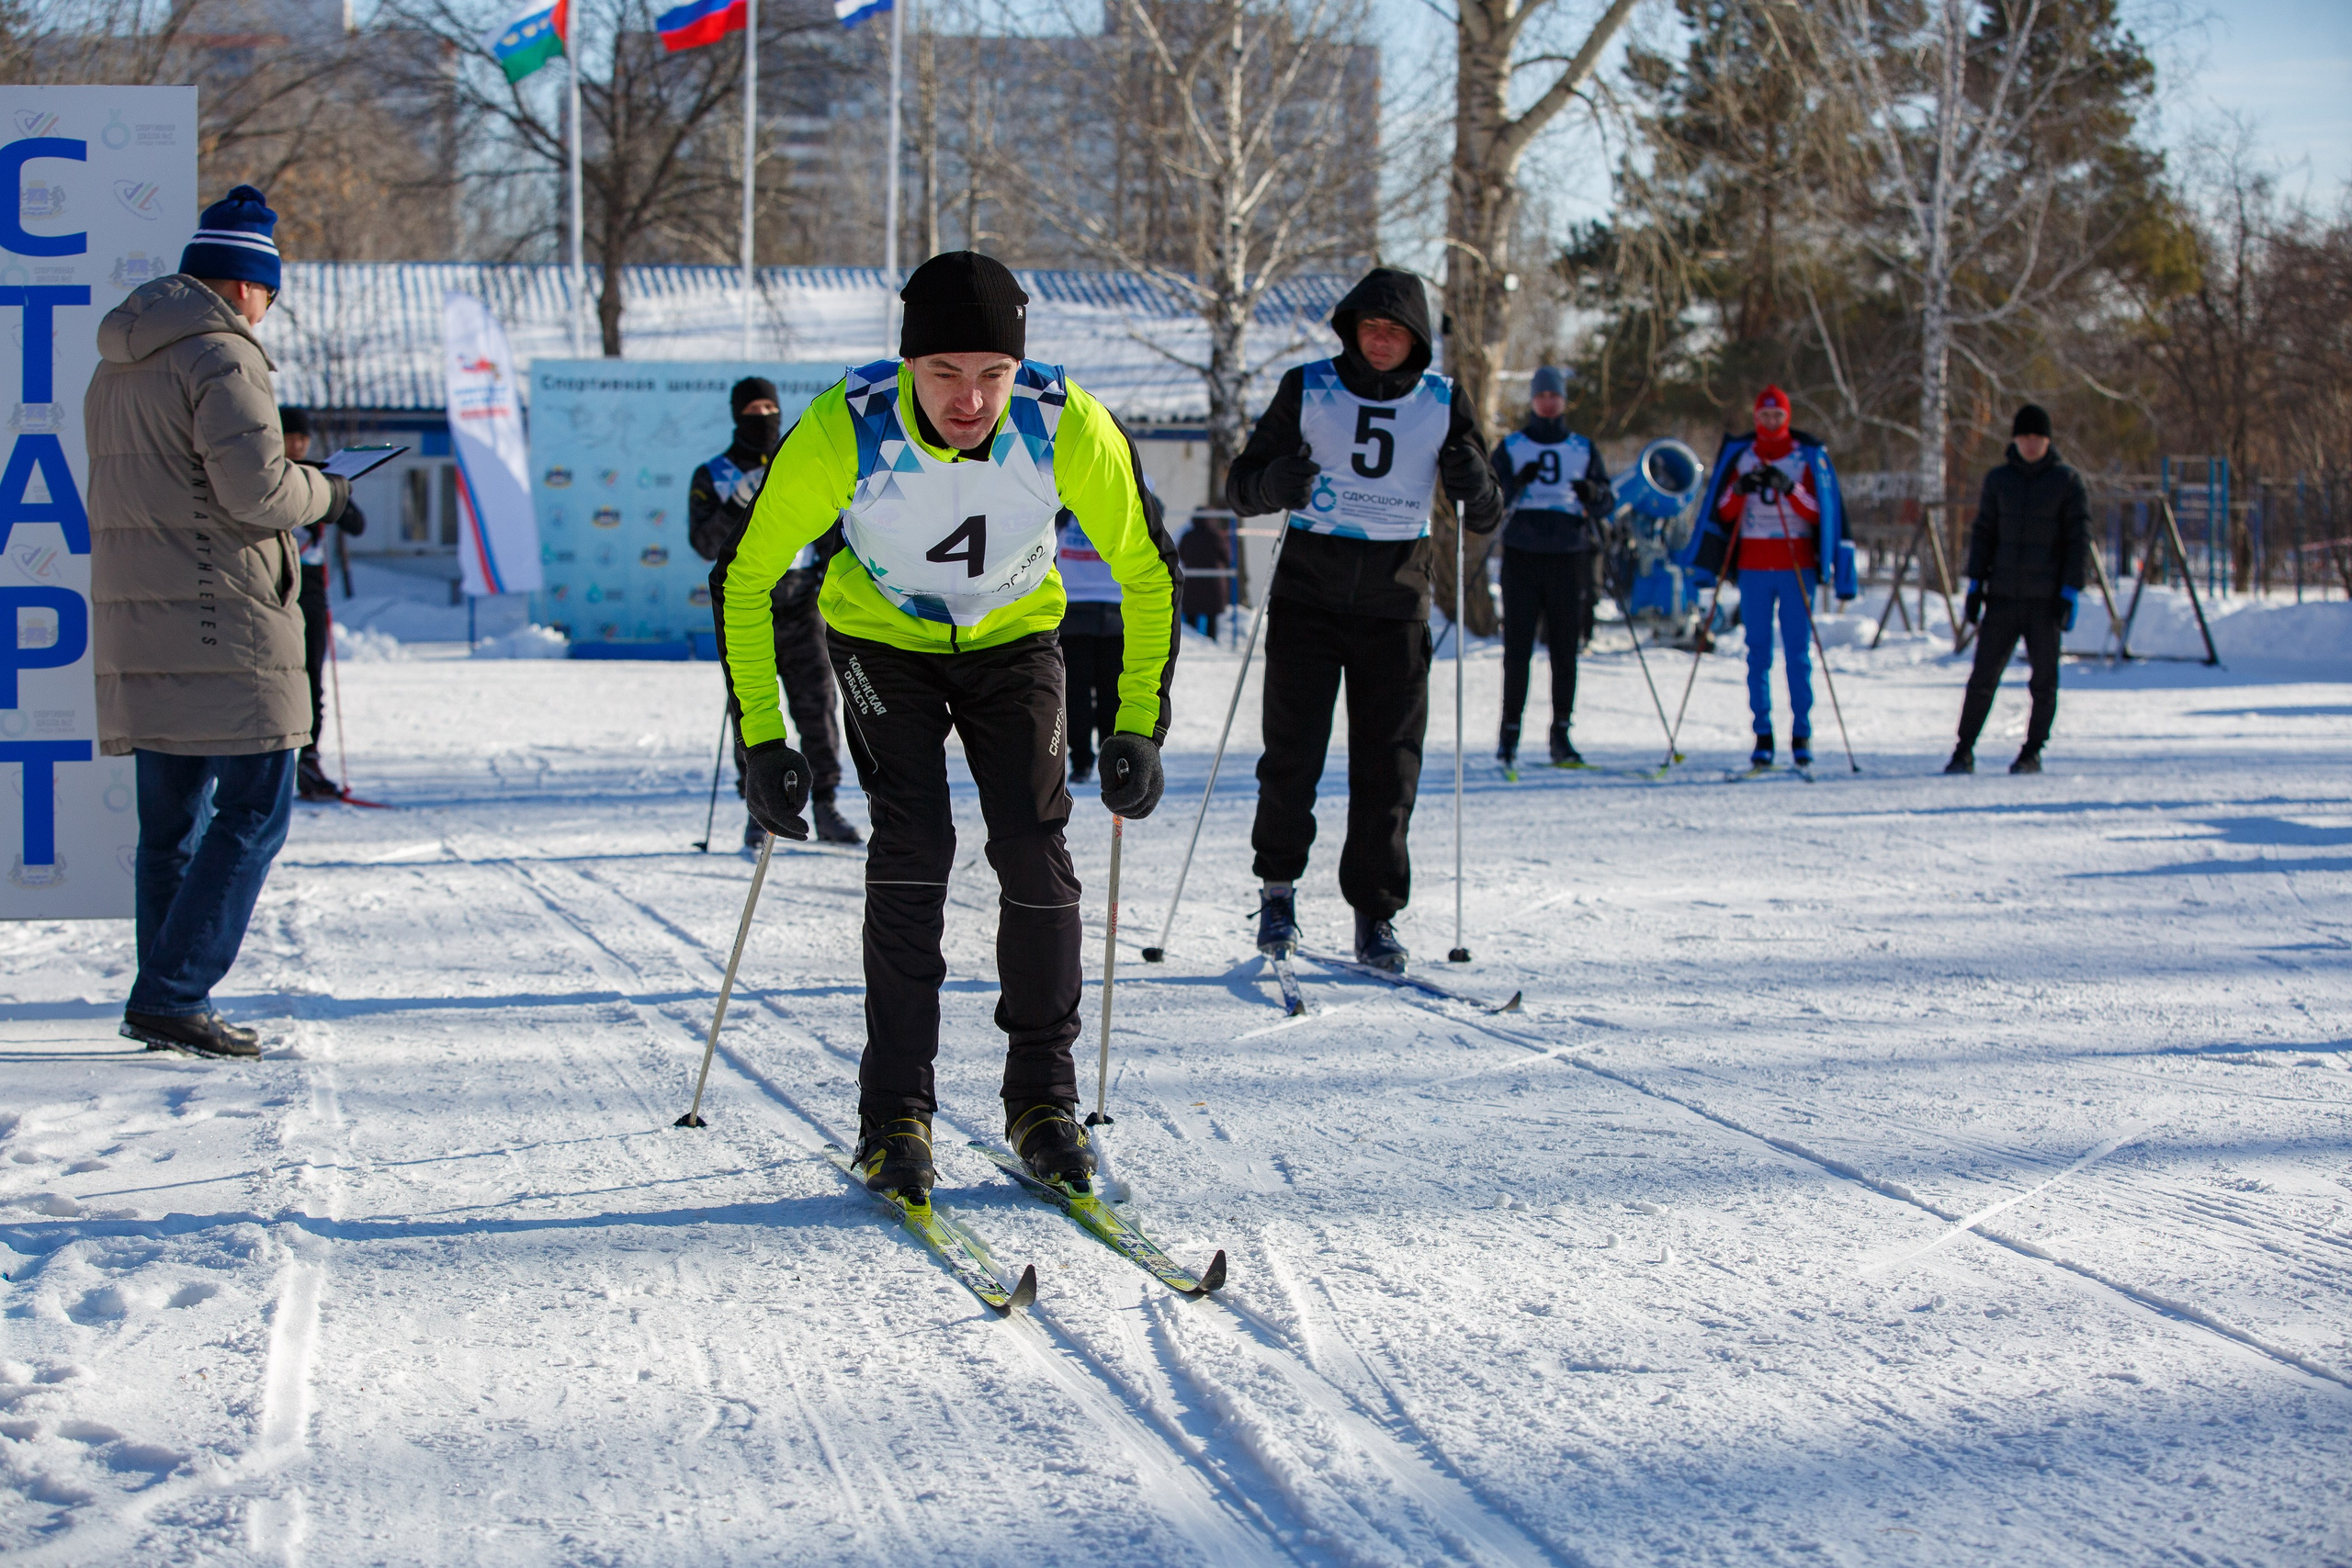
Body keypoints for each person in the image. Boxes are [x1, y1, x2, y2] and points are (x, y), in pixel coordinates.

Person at [715, 252, 1180, 1199]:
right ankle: (893, 1116)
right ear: (907, 365)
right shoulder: (848, 429)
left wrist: (1137, 719)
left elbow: (1145, 569)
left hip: (1014, 640)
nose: (969, 399)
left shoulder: (1064, 424)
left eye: (992, 375)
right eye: (943, 373)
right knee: (914, 846)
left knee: (1035, 850)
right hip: (885, 642)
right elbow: (748, 575)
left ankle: (1043, 1101)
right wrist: (764, 736)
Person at [86, 186, 350, 1059]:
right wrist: (332, 488)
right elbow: (260, 492)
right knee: (253, 813)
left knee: (169, 828)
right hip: (224, 625)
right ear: (245, 286)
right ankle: (173, 990)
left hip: (144, 627)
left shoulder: (120, 355)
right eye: (271, 294)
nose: (269, 312)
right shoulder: (222, 358)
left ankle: (161, 994)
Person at [1225, 266, 1505, 972]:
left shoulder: (1443, 399)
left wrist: (1474, 481)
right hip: (1308, 595)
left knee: (1390, 766)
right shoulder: (1308, 386)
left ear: (1417, 339)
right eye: (1370, 328)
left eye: (1397, 331)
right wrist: (1271, 483)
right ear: (1351, 329)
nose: (1381, 342)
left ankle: (1375, 913)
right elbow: (1240, 486)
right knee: (1292, 755)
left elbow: (1491, 504)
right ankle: (1279, 891)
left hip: (1395, 600)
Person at [687, 377, 861, 846]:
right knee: (750, 709)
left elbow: (833, 529)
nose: (763, 417)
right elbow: (703, 542)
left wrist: (825, 583)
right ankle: (759, 808)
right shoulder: (714, 473)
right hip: (750, 604)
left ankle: (824, 803)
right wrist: (736, 505)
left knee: (818, 707)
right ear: (736, 413)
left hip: (803, 604)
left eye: (770, 408)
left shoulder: (798, 460)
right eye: (753, 409)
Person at [1686, 386, 1855, 769]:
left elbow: (1818, 513)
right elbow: (1724, 511)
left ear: (1787, 417)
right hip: (1754, 567)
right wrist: (1741, 489)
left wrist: (1790, 489)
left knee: (1797, 653)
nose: (1771, 422)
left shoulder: (1804, 457)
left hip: (1797, 566)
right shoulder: (1743, 456)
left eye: (1777, 415)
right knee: (1757, 652)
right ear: (1756, 418)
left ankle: (1801, 733)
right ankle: (1762, 733)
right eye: (1765, 416)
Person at [1946, 404, 2090, 776]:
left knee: (2044, 681)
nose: (2030, 444)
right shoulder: (1999, 481)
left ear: (2047, 440)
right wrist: (1976, 584)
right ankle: (1963, 750)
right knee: (1982, 679)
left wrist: (2070, 591)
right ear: (2015, 439)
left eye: (2037, 437)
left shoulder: (2067, 482)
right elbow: (1984, 534)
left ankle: (2032, 751)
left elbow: (2079, 541)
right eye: (2024, 437)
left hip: (2045, 601)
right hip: (2003, 597)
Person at [1489, 366, 1613, 770]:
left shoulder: (1581, 447)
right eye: (1542, 396)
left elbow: (1606, 501)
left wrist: (1593, 493)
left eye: (1554, 396)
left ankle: (1561, 733)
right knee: (1518, 649)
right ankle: (1509, 733)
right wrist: (1513, 485)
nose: (1548, 402)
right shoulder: (1512, 446)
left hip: (1568, 555)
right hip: (1522, 553)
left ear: (1563, 401)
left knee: (1565, 649)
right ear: (1533, 400)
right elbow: (1488, 499)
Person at [279, 407, 367, 802]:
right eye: (289, 437)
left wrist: (333, 489)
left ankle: (310, 759)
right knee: (277, 676)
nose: (296, 445)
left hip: (310, 585)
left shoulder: (318, 475)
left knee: (312, 676)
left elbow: (356, 524)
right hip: (272, 584)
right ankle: (274, 762)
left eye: (302, 438)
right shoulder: (264, 474)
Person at [1055, 511, 1125, 785]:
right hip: (1078, 605)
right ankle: (1086, 760)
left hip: (1108, 605)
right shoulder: (1061, 495)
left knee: (1102, 691)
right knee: (1082, 692)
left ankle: (1099, 760)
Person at [1177, 511, 1231, 639]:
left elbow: (1181, 554)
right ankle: (1212, 645)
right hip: (1212, 584)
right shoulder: (1216, 536)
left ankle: (1193, 643)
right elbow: (1226, 557)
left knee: (1191, 624)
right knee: (1211, 622)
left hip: (1192, 583)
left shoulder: (1188, 536)